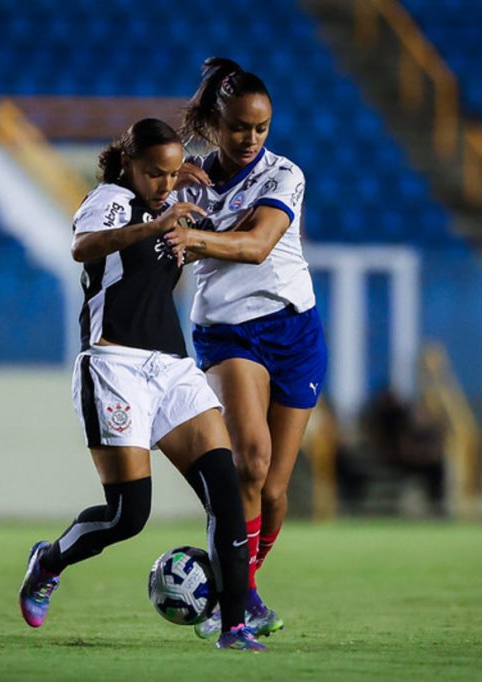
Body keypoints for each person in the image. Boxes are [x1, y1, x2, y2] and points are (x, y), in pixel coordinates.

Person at [17, 118, 265, 652]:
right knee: (128, 515)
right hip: (114, 364)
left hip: (173, 368)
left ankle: (235, 627)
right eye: (156, 173)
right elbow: (84, 247)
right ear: (130, 163)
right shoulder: (110, 198)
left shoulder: (170, 204)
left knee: (227, 489)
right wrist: (157, 226)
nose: (166, 184)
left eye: (174, 173)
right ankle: (49, 560)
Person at [163, 58, 328, 640]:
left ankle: (243, 588)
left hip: (295, 330)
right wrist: (167, 193)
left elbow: (259, 245)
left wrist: (195, 235)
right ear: (216, 123)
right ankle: (237, 602)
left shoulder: (285, 175)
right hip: (230, 333)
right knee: (249, 462)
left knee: (276, 490)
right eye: (239, 127)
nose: (251, 138)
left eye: (260, 128)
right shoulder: (185, 182)